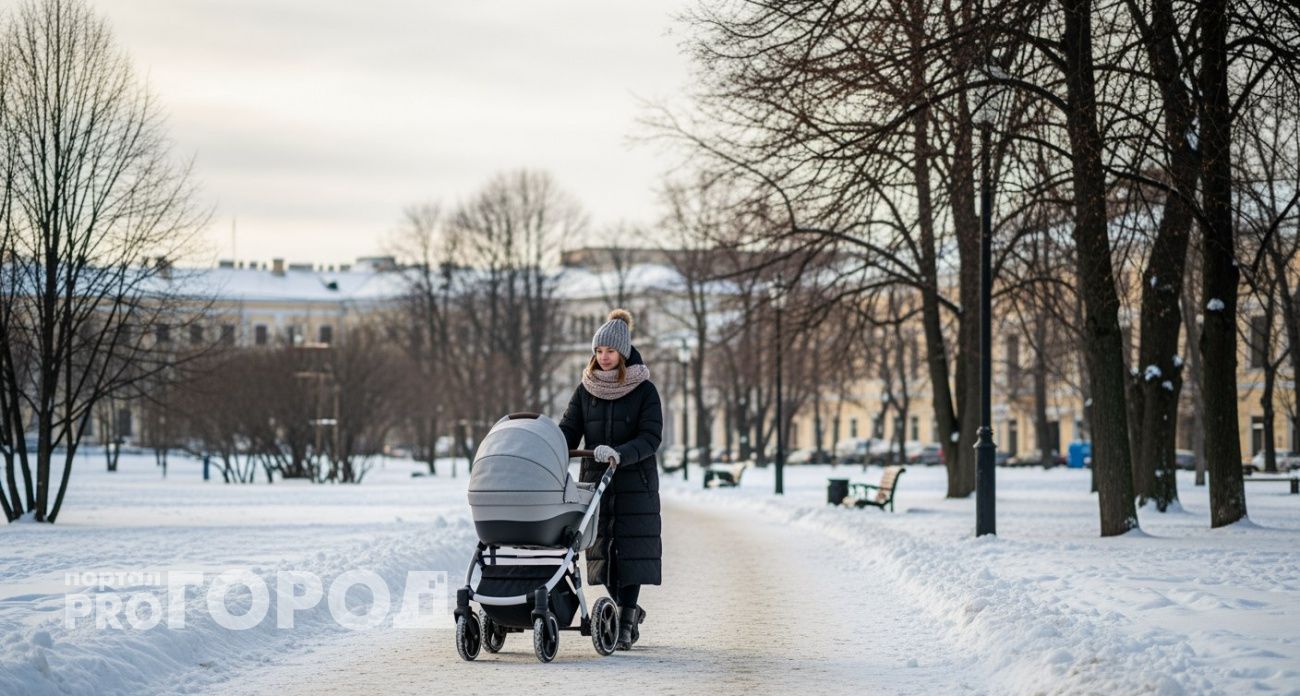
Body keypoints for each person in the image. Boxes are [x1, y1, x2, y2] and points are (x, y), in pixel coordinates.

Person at [558, 308, 663, 651]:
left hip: (634, 481)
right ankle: (627, 610)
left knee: (629, 553)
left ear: (624, 353)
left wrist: (620, 453)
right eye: (599, 351)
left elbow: (651, 438)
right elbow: (569, 431)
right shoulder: (585, 390)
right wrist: (547, 446)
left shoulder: (644, 390)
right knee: (602, 552)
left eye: (610, 351)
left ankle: (628, 620)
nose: (603, 358)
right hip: (595, 482)